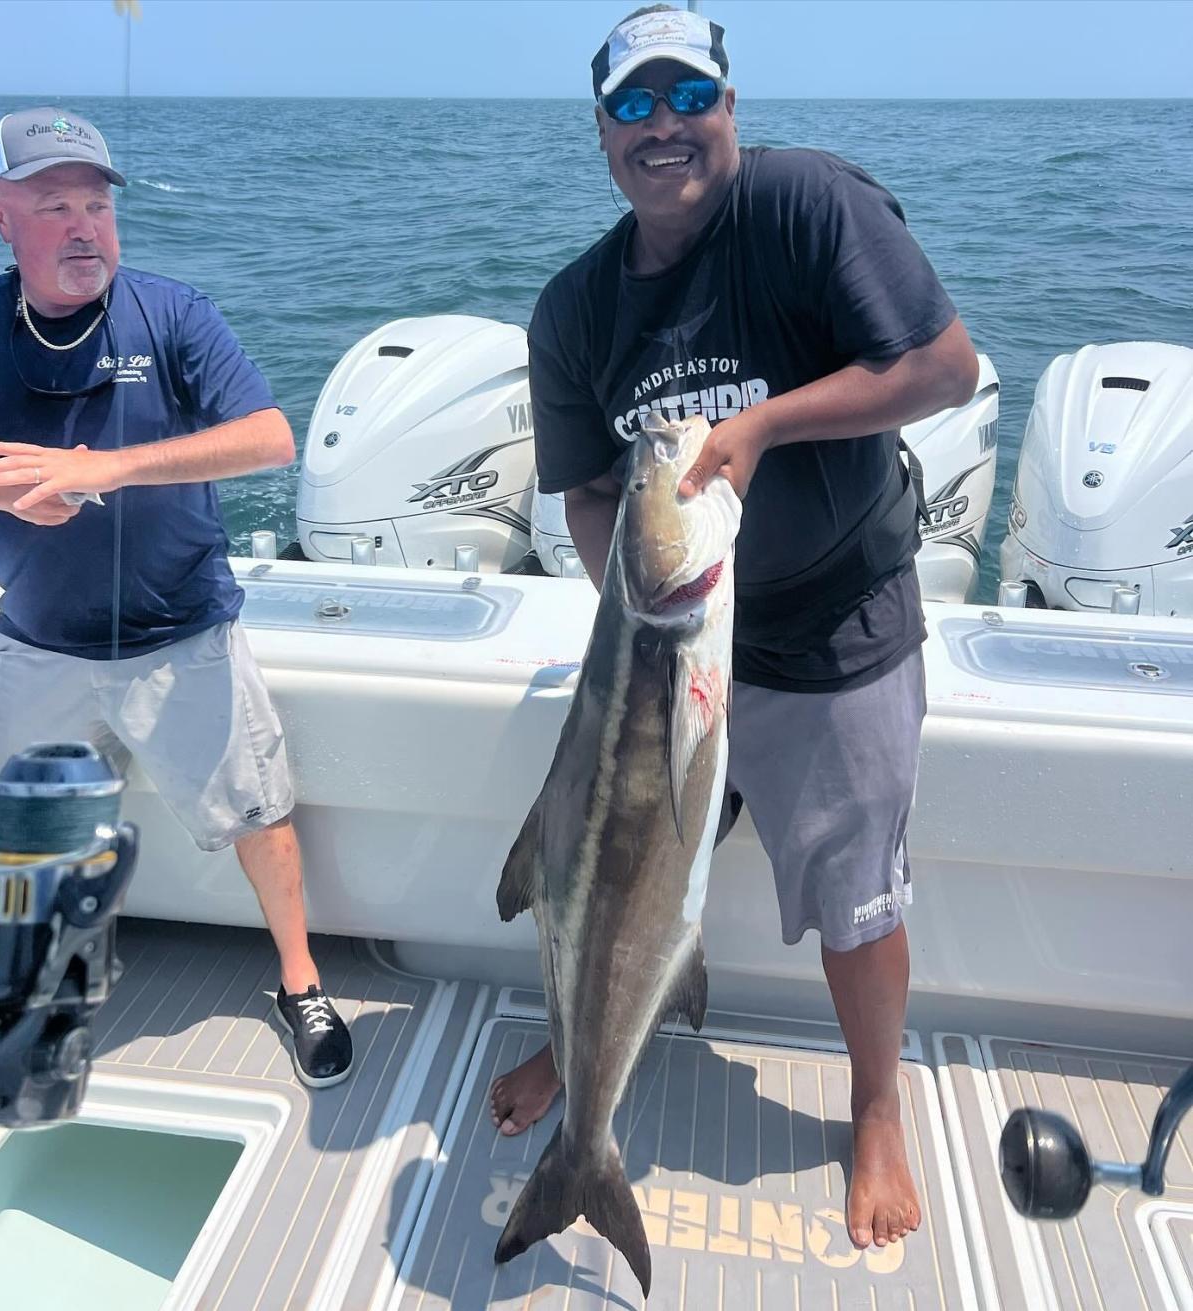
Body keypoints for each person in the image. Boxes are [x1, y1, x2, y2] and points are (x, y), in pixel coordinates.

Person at [488, 6, 980, 1251]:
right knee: (601, 873)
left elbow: (942, 366)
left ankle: (875, 1105)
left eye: (684, 97)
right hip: (665, 645)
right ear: (602, 133)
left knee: (855, 890)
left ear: (728, 107)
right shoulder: (575, 311)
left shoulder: (805, 208)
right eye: (633, 107)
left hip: (833, 621)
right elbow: (594, 492)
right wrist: (642, 618)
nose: (664, 128)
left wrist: (751, 435)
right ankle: (584, 1062)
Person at [0, 108, 353, 1088]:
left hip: (186, 636)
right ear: (3, 216)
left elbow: (268, 437)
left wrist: (111, 467)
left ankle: (300, 982)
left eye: (97, 203)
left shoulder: (173, 314)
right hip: (41, 644)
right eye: (55, 205)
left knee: (259, 815)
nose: (85, 226)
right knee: (33, 844)